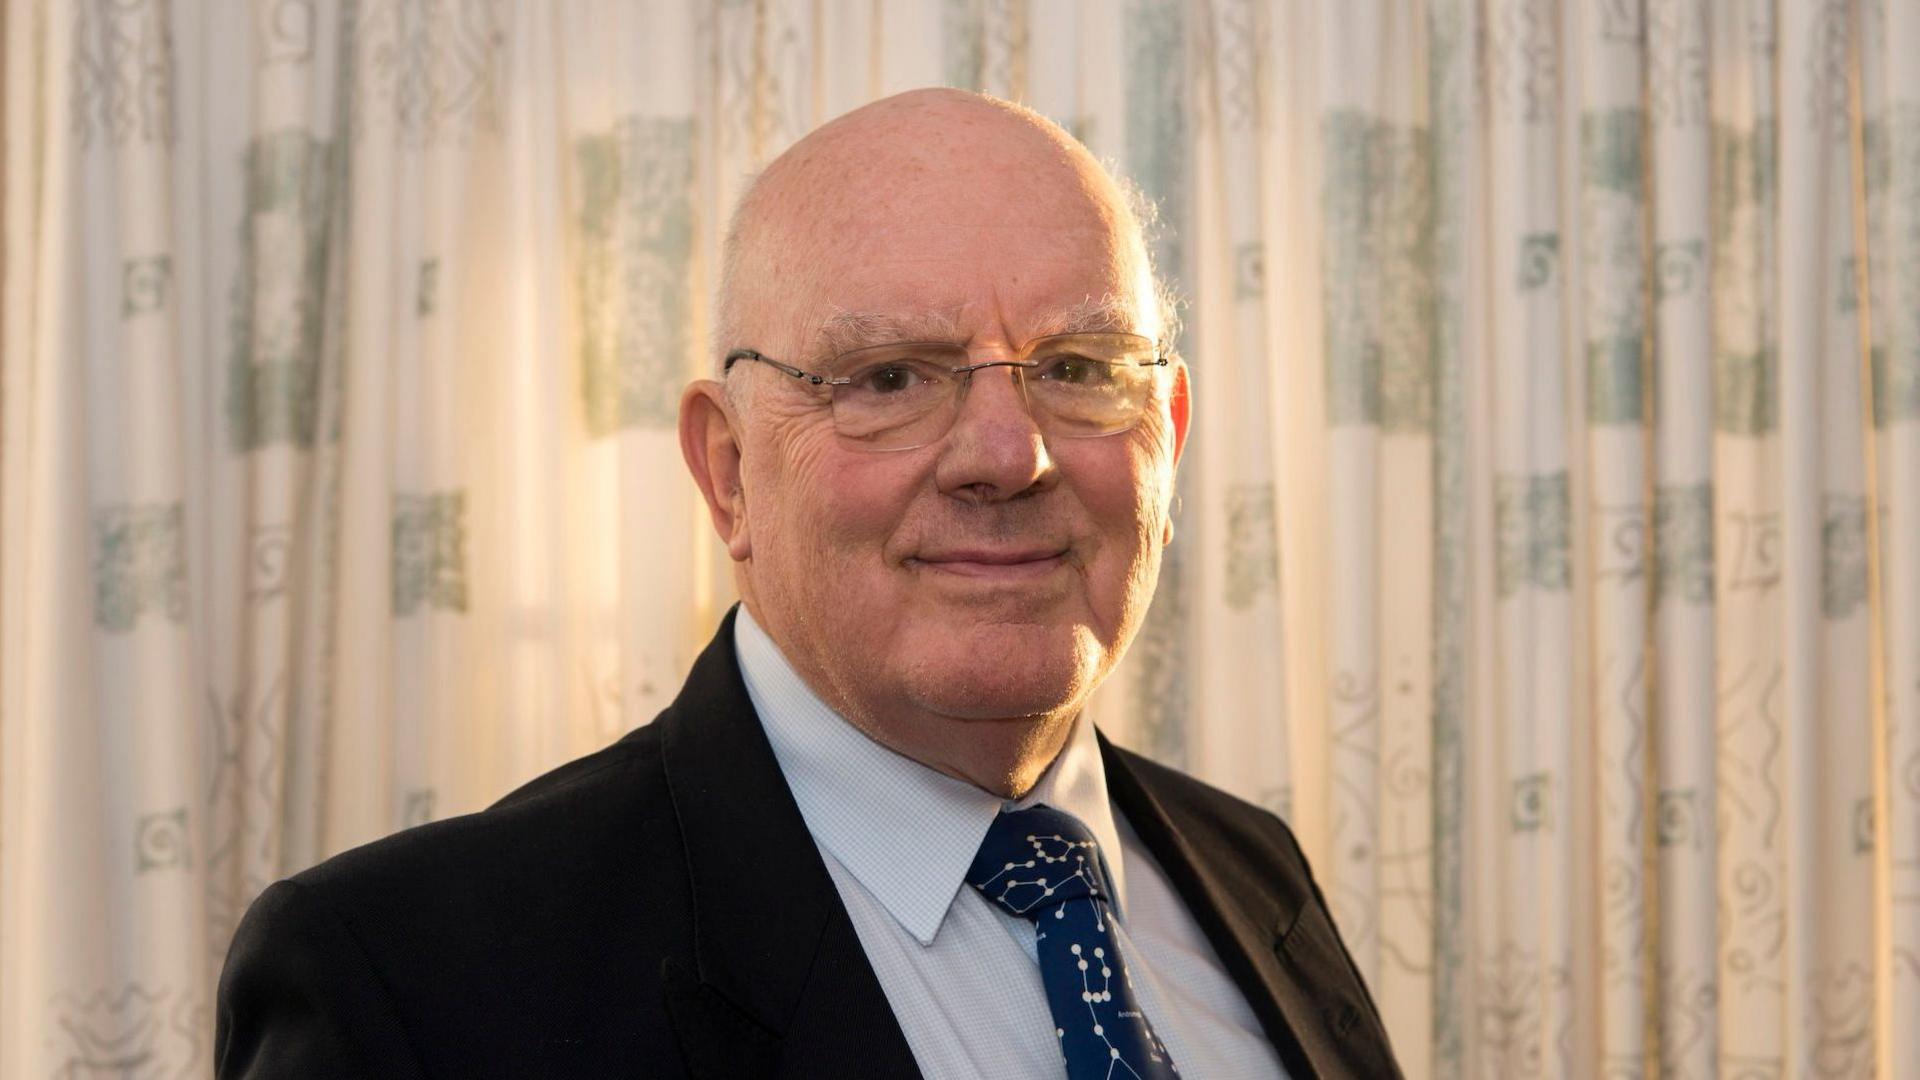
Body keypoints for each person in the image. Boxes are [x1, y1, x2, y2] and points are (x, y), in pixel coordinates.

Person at [216, 89, 1401, 1079]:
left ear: (1169, 435)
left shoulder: (1258, 877)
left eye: (1081, 368)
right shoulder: (412, 991)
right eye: (889, 376)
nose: (1009, 455)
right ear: (728, 472)